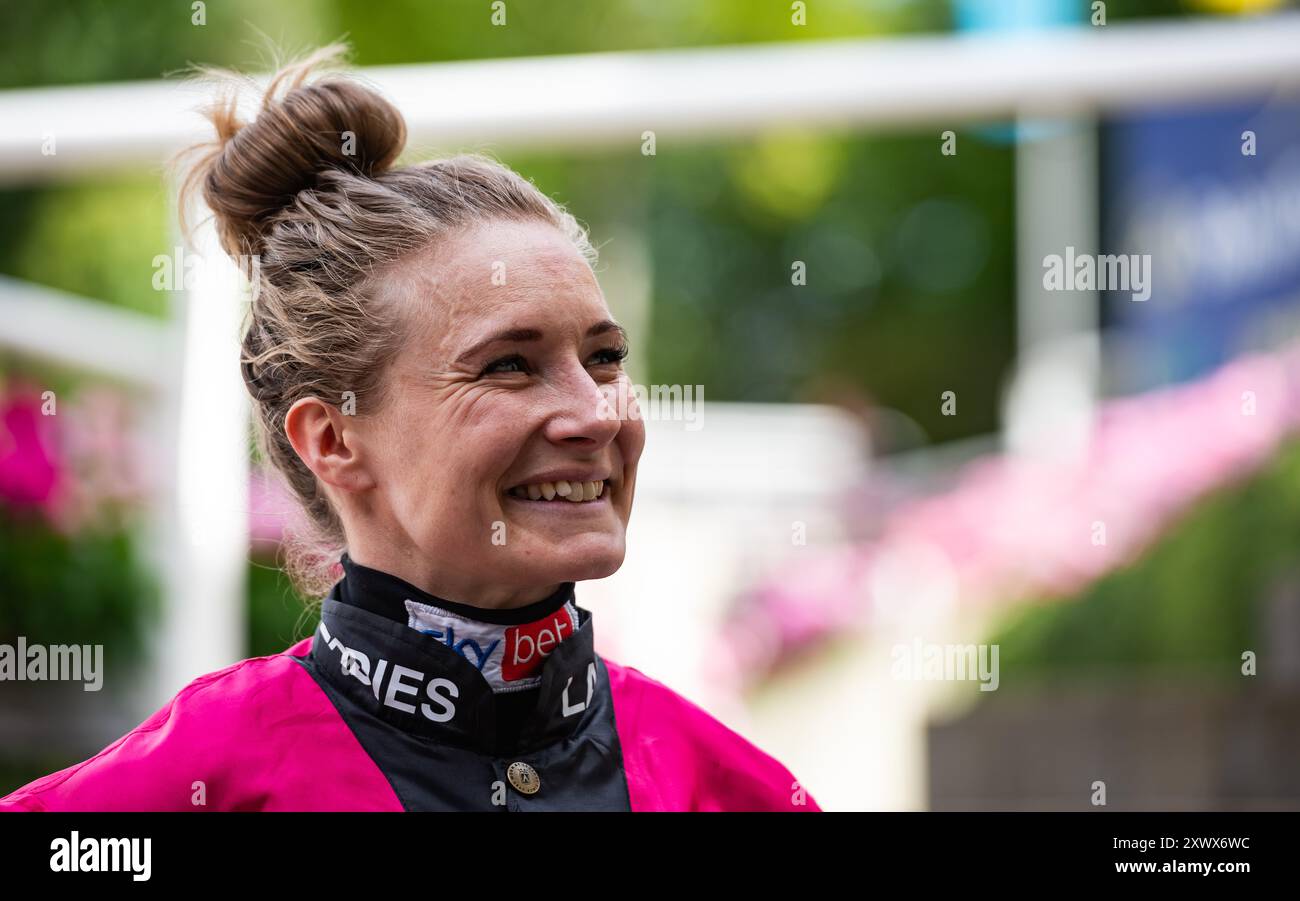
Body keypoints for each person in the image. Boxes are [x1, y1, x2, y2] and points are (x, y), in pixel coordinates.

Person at [0, 45, 820, 812]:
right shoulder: (177, 789)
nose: (595, 411)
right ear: (332, 439)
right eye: (509, 365)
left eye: (604, 358)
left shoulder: (728, 784)